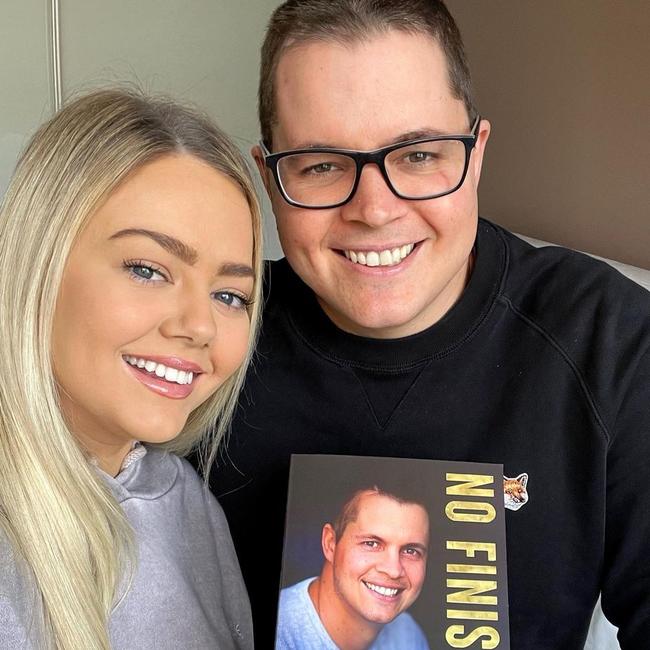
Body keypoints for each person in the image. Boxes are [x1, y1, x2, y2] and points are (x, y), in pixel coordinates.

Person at [207, 1, 650, 648]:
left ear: (476, 156)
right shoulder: (209, 339)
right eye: (322, 164)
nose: (375, 210)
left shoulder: (609, 341)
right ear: (273, 180)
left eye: (417, 156)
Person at [0, 89, 263, 650]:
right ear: (38, 261)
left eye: (231, 295)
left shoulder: (185, 498)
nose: (201, 326)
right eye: (147, 269)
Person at [276, 487, 430, 649]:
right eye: (371, 543)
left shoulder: (407, 635)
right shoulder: (279, 633)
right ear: (330, 544)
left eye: (410, 551)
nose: (393, 570)